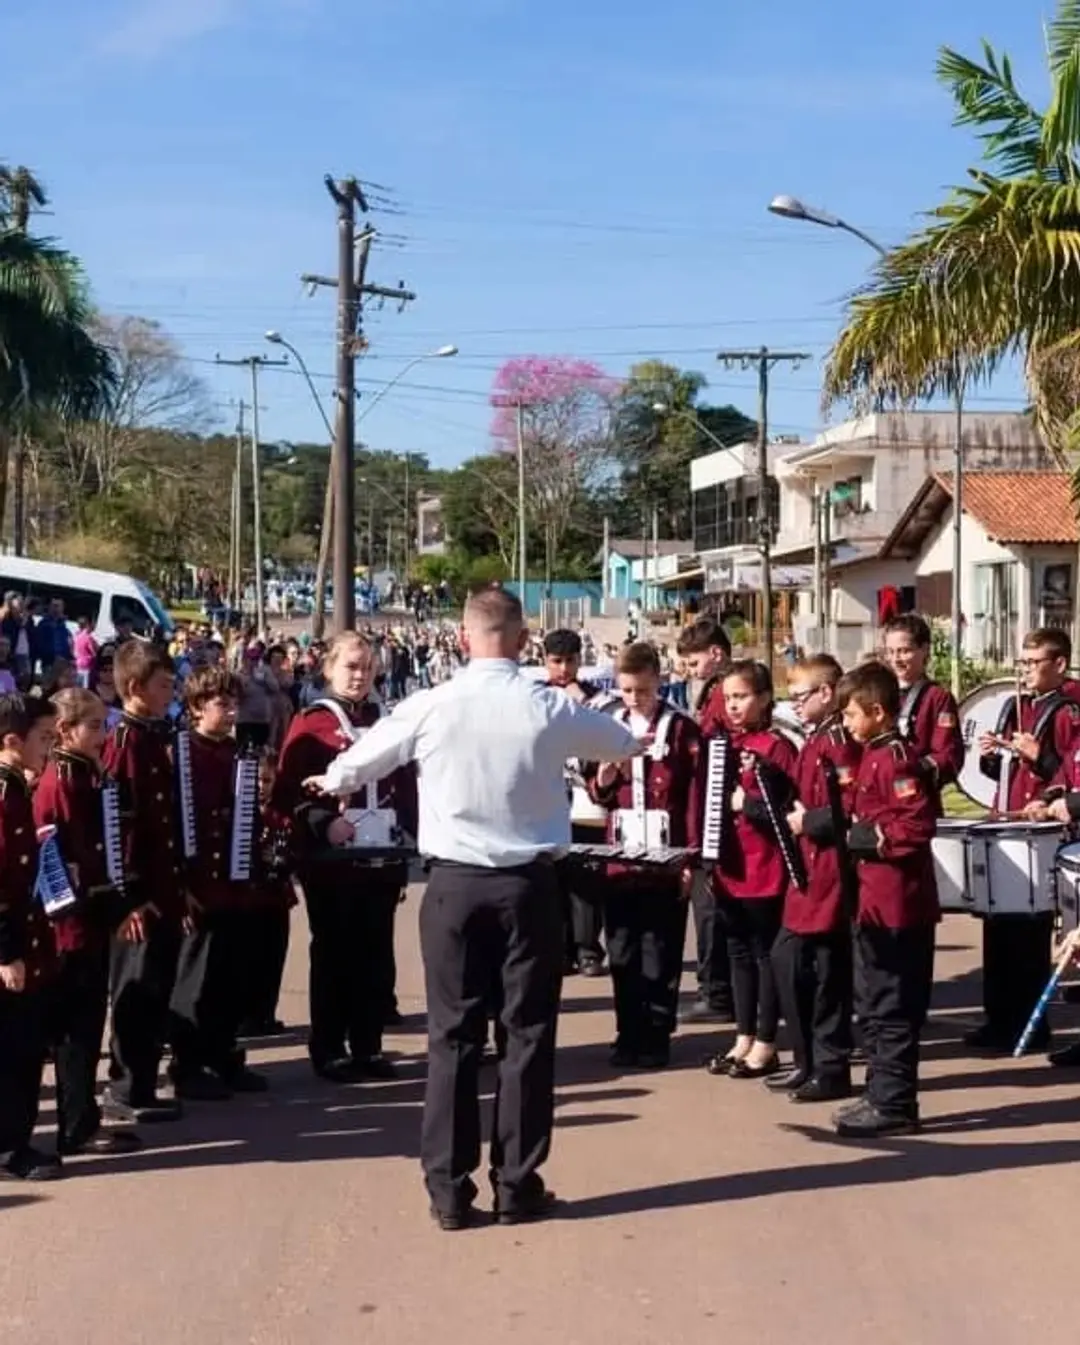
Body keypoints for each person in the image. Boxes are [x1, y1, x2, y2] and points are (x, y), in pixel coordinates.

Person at [304, 587, 643, 1231]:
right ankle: (516, 1182)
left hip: (454, 886)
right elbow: (621, 742)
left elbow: (362, 759)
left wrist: (335, 780)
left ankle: (449, 1192)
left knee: (451, 1039)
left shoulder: (432, 703)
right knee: (526, 1036)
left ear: (462, 638)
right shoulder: (546, 704)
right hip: (527, 886)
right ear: (521, 640)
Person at [271, 631, 417, 1084]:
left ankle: (368, 1046)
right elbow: (286, 792)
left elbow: (406, 785)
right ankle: (330, 1048)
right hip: (331, 864)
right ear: (328, 669)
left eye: (367, 666)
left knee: (374, 953)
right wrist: (321, 822)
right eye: (351, 666)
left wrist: (411, 836)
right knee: (335, 954)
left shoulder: (387, 719)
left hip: (381, 858)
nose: (360, 675)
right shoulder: (310, 722)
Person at [33, 689, 141, 1157]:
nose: (103, 734)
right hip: (70, 924)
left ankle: (82, 1116)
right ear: (64, 731)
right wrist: (108, 906)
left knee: (84, 1026)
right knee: (75, 1032)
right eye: (93, 726)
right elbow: (64, 858)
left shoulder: (84, 774)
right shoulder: (61, 781)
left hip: (89, 918)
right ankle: (74, 1124)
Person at [585, 642, 701, 1069]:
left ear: (658, 679)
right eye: (628, 690)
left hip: (665, 857)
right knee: (622, 948)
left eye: (643, 690)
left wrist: (690, 861)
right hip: (621, 857)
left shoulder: (682, 729)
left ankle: (656, 1033)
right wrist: (605, 776)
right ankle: (627, 1030)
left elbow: (691, 797)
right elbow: (596, 792)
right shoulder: (608, 724)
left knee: (661, 947)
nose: (635, 698)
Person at [834, 661, 938, 1138]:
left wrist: (863, 837)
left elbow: (915, 826)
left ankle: (895, 1101)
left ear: (877, 712)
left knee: (893, 1004)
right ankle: (880, 1090)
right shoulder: (872, 754)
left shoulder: (896, 758)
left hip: (898, 904)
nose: (847, 723)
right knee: (873, 1001)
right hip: (873, 899)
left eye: (852, 714)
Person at [973, 627, 1080, 1052]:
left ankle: (1029, 1026)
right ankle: (1000, 1019)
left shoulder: (1068, 711)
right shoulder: (1023, 708)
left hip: (1040, 835)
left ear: (1058, 664)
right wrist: (991, 757)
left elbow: (1067, 775)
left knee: (1028, 933)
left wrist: (1040, 759)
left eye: (1034, 663)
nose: (1026, 671)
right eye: (1023, 662)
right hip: (1010, 821)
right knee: (998, 926)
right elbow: (1004, 777)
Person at [101, 640, 185, 1123]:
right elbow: (122, 830)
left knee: (157, 989)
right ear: (135, 688)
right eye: (163, 686)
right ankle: (124, 1088)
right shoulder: (124, 746)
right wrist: (130, 898)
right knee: (135, 990)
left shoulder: (154, 737)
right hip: (140, 898)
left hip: (165, 890)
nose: (170, 693)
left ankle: (146, 1084)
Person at [774, 656, 861, 1102]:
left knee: (827, 974)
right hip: (808, 868)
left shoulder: (839, 742)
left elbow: (849, 809)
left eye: (801, 696)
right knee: (791, 964)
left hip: (829, 870)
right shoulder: (815, 739)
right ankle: (808, 1060)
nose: (796, 704)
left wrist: (806, 823)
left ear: (826, 693)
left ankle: (830, 1066)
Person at [706, 660, 798, 1080]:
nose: (733, 706)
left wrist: (748, 804)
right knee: (737, 952)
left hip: (764, 864)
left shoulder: (776, 745)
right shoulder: (722, 742)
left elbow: (785, 809)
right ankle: (742, 1035)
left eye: (741, 697)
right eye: (728, 698)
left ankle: (766, 1040)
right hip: (730, 861)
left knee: (764, 953)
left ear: (763, 698)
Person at [0, 695, 61, 1180]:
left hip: (24, 933)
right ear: (12, 742)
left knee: (22, 1046)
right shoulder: (4, 795)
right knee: (15, 1051)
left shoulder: (17, 787)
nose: (53, 744)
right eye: (44, 737)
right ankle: (10, 1147)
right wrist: (8, 952)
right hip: (9, 944)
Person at [675, 617, 734, 1024]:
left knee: (710, 906)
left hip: (717, 813)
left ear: (716, 654)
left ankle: (716, 992)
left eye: (694, 663)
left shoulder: (725, 694)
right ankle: (716, 988)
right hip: (709, 809)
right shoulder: (713, 692)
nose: (689, 671)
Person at [543, 628, 611, 977]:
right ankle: (559, 948)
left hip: (586, 803)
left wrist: (579, 704)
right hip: (547, 801)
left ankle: (588, 948)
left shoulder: (596, 700)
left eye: (570, 661)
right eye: (557, 661)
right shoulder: (536, 697)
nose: (564, 669)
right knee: (553, 880)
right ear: (545, 662)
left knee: (586, 879)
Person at [881, 614, 963, 813]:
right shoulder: (879, 691)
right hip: (880, 800)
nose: (895, 659)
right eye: (890, 652)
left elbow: (949, 756)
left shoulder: (937, 698)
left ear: (924, 650)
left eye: (904, 651)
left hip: (917, 804)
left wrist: (910, 770)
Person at [73, 616, 99, 689]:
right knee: (85, 689)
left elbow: (74, 651)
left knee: (78, 688)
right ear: (88, 625)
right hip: (87, 666)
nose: (94, 626)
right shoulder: (88, 638)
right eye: (94, 624)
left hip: (78, 665)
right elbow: (94, 653)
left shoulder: (77, 636)